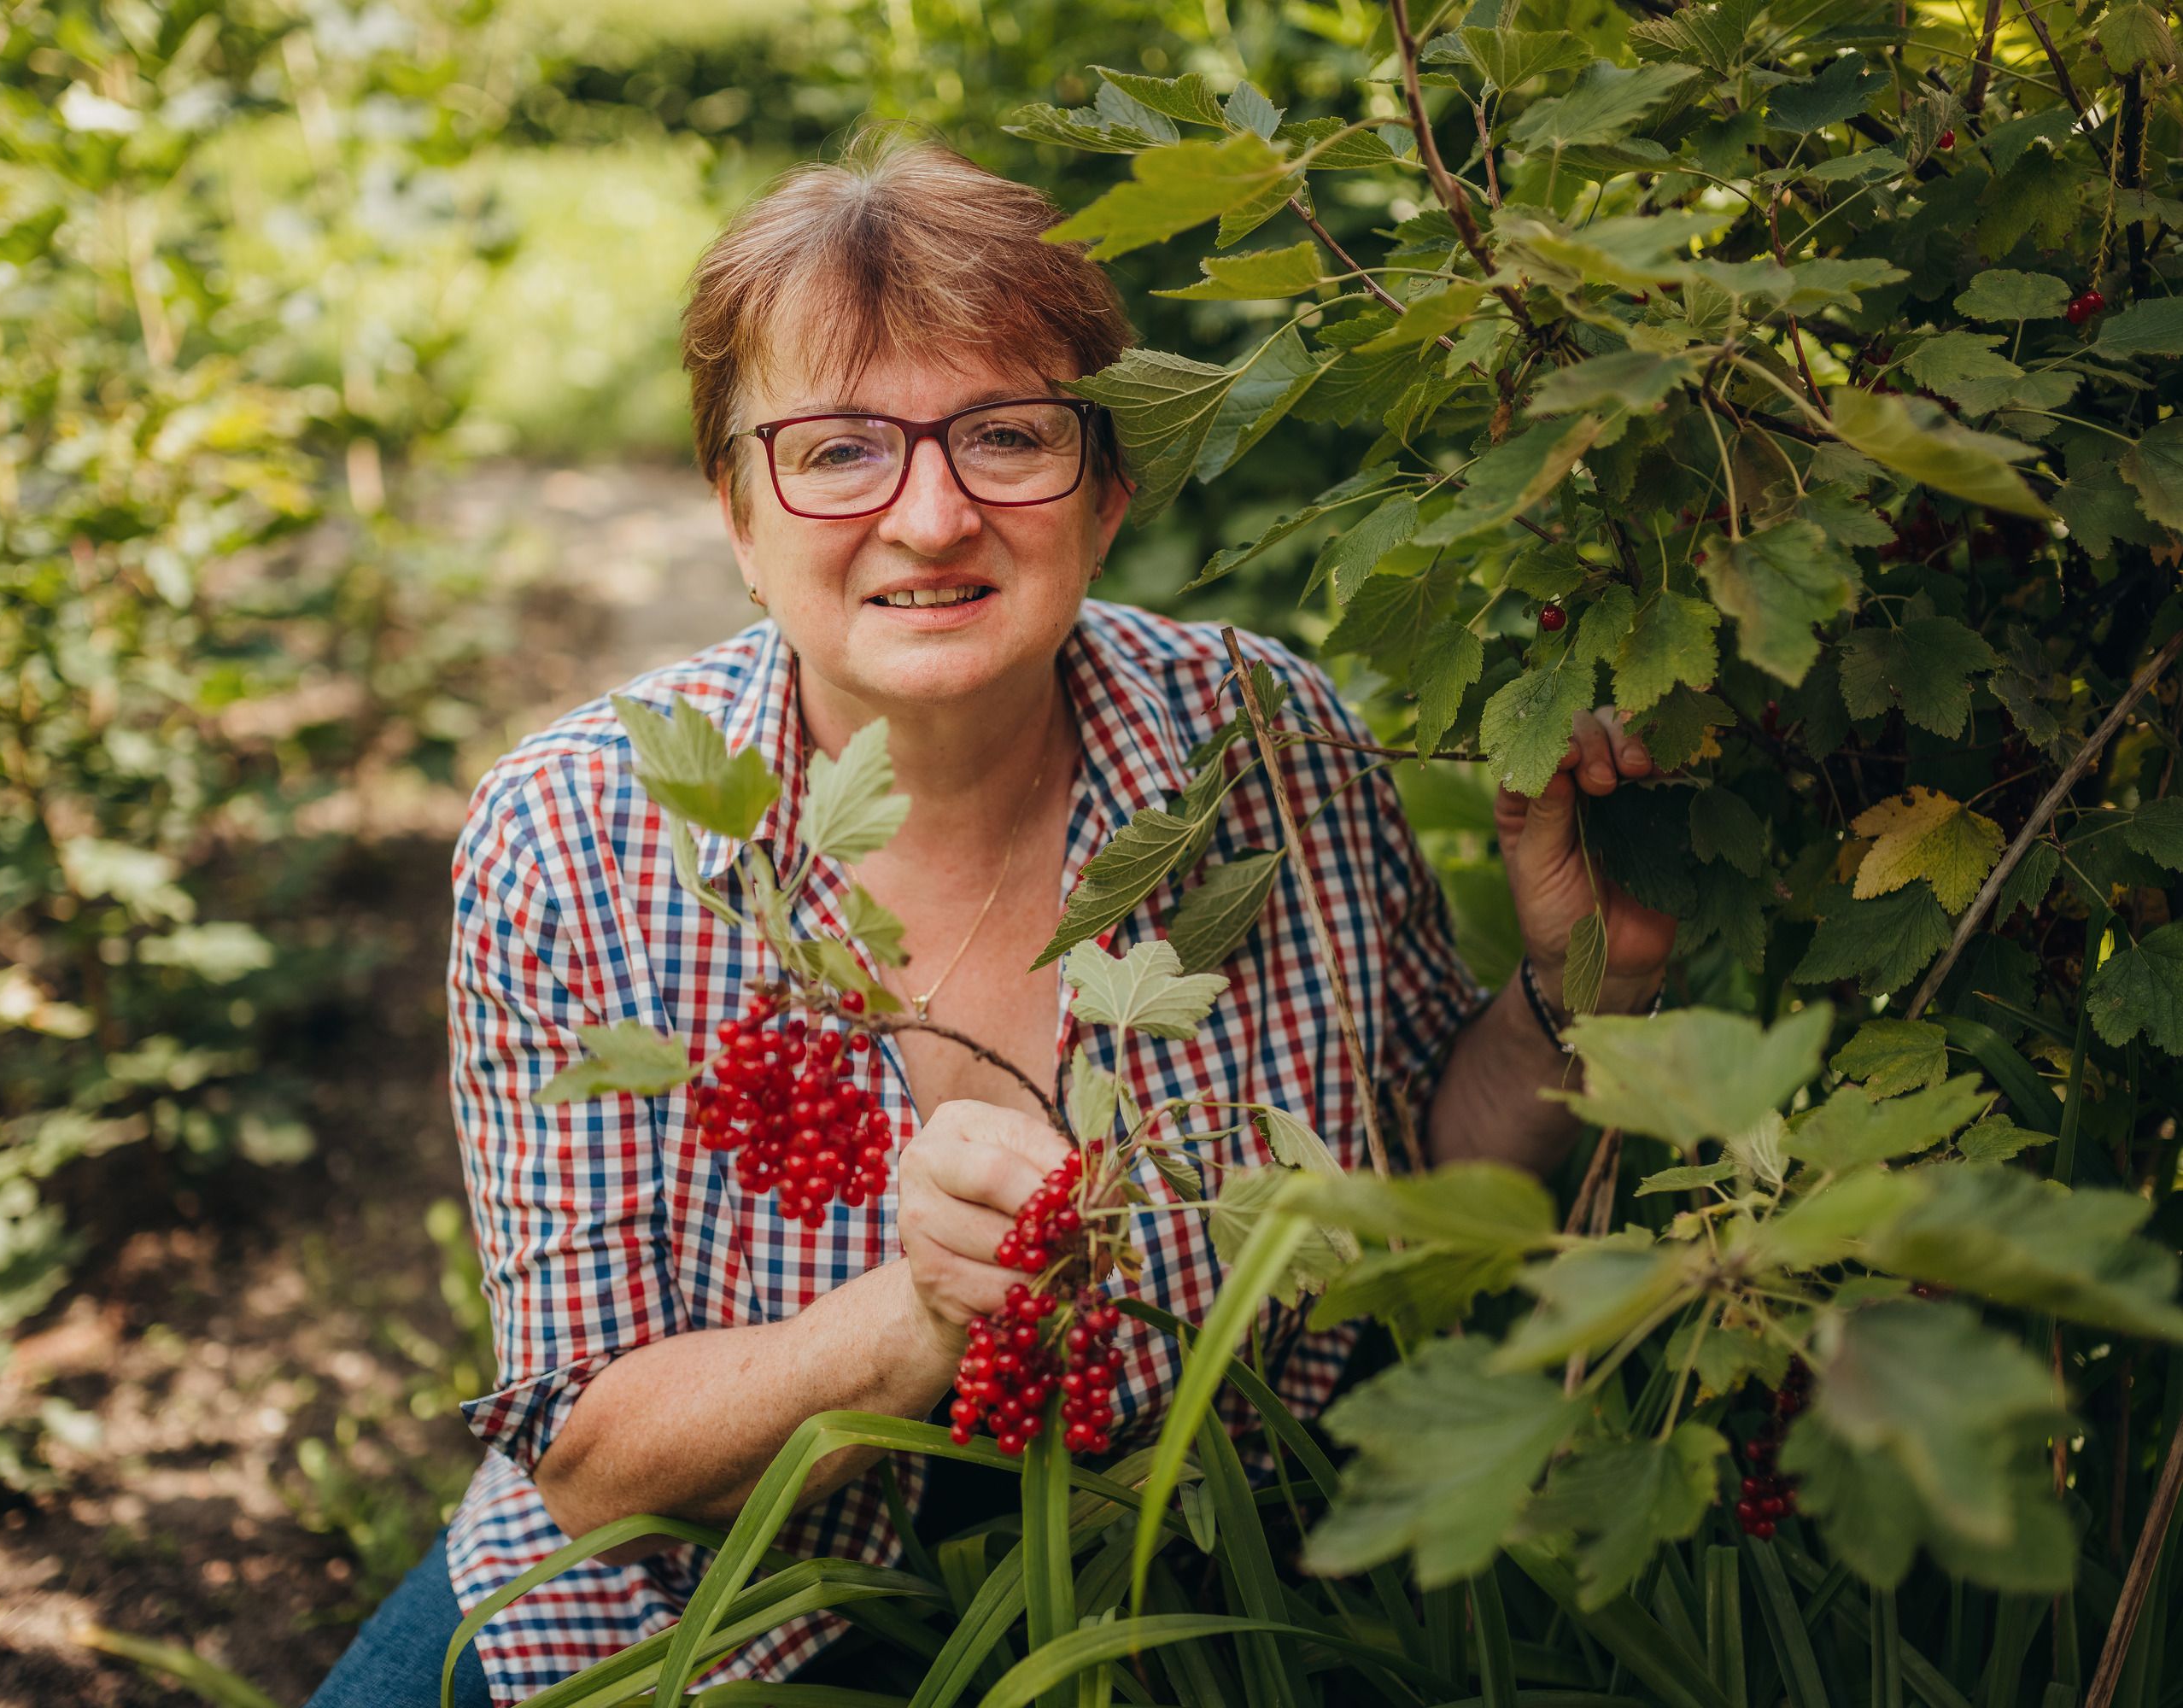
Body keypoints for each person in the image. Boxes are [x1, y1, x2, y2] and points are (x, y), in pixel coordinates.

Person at [302, 129, 1676, 1708]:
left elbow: (1420, 1176)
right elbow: (597, 1467)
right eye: (836, 450)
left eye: (1007, 437)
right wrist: (909, 1321)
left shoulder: (1262, 744)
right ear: (739, 518)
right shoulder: (579, 835)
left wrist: (1585, 981)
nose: (935, 517)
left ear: (1106, 495)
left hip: (1194, 1576)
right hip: (701, 1617)